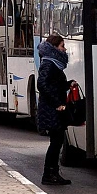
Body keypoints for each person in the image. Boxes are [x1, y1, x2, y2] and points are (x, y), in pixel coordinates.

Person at [36, 34, 76, 185]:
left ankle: (52, 173)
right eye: (62, 46)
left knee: (57, 141)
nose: (64, 49)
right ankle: (49, 174)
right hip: (51, 110)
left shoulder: (53, 63)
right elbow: (42, 84)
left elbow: (54, 85)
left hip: (53, 109)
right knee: (56, 142)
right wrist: (56, 103)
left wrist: (68, 84)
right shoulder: (48, 63)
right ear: (54, 48)